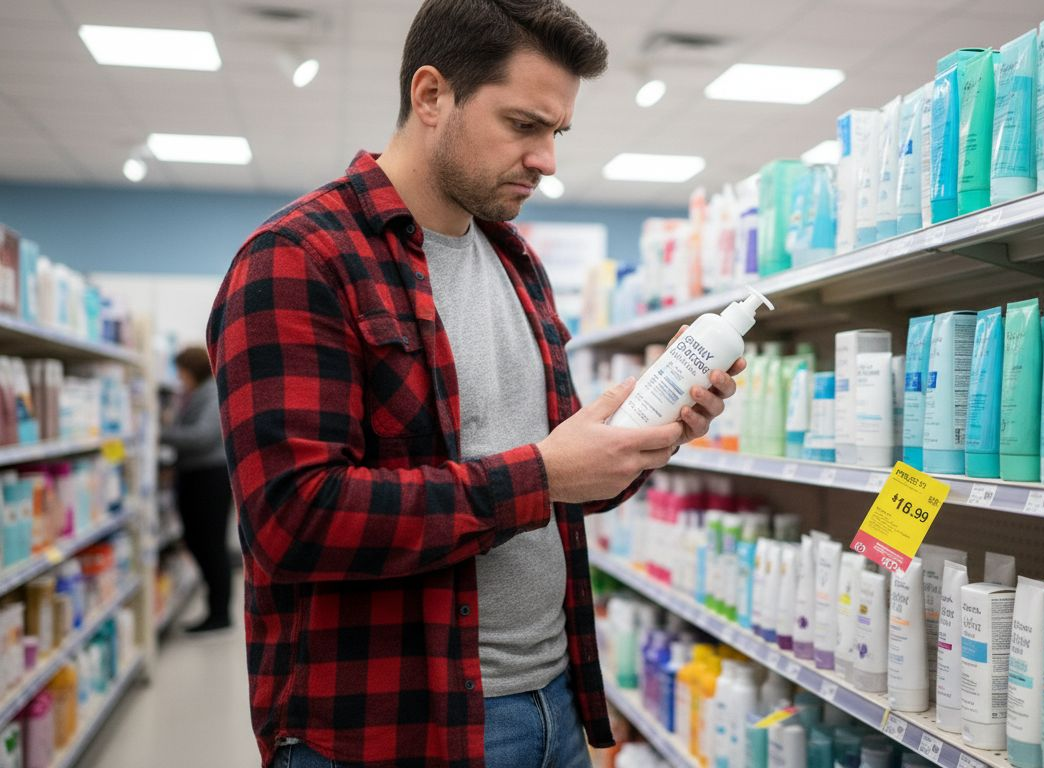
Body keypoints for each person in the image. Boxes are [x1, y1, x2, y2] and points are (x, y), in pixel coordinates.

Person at [206, 1, 744, 767]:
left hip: (556, 701)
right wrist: (542, 474)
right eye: (523, 125)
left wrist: (646, 434)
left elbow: (561, 486)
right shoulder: (299, 258)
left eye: (556, 133)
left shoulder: (516, 262)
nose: (548, 160)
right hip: (393, 729)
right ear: (431, 96)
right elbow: (294, 519)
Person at [159, 346, 232, 633]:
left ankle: (219, 614)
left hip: (209, 477)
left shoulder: (211, 393)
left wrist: (161, 434)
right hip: (196, 475)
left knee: (210, 545)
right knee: (201, 542)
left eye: (181, 371)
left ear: (193, 370)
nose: (179, 377)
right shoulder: (193, 395)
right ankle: (215, 610)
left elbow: (203, 436)